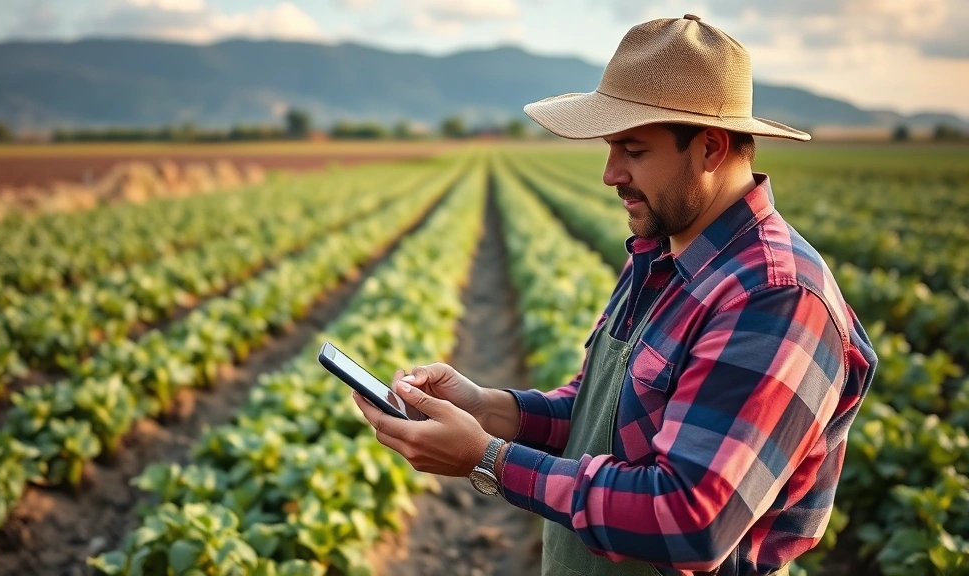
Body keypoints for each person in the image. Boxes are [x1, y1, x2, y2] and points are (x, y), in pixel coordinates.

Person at [352, 14, 877, 576]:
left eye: (633, 149)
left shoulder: (774, 297)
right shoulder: (664, 253)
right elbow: (598, 415)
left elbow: (690, 520)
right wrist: (485, 407)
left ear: (711, 148)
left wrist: (488, 460)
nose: (610, 173)